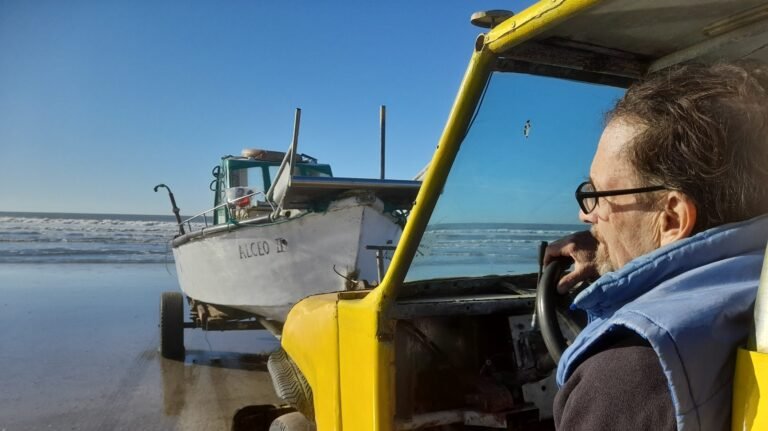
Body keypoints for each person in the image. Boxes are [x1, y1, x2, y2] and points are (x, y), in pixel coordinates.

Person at [545, 61, 768, 430]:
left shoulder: (623, 375)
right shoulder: (754, 286)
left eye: (598, 195)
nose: (586, 215)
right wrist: (608, 253)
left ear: (671, 218)